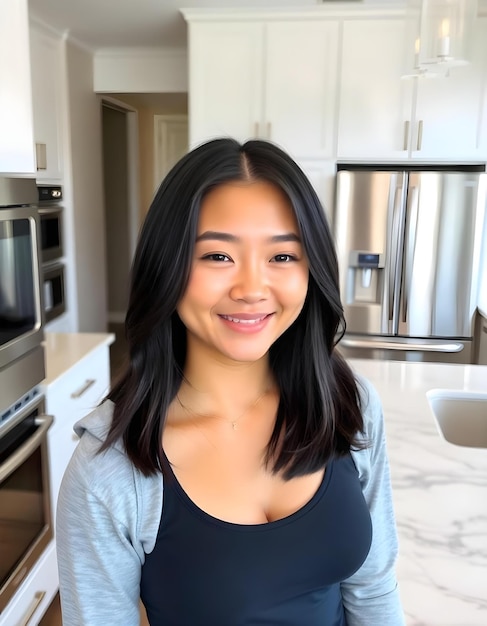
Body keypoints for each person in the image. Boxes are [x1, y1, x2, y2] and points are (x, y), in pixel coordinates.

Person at [56, 138, 405, 626]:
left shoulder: (348, 405)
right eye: (218, 256)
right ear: (168, 266)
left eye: (282, 257)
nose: (251, 289)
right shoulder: (111, 471)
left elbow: (373, 588)